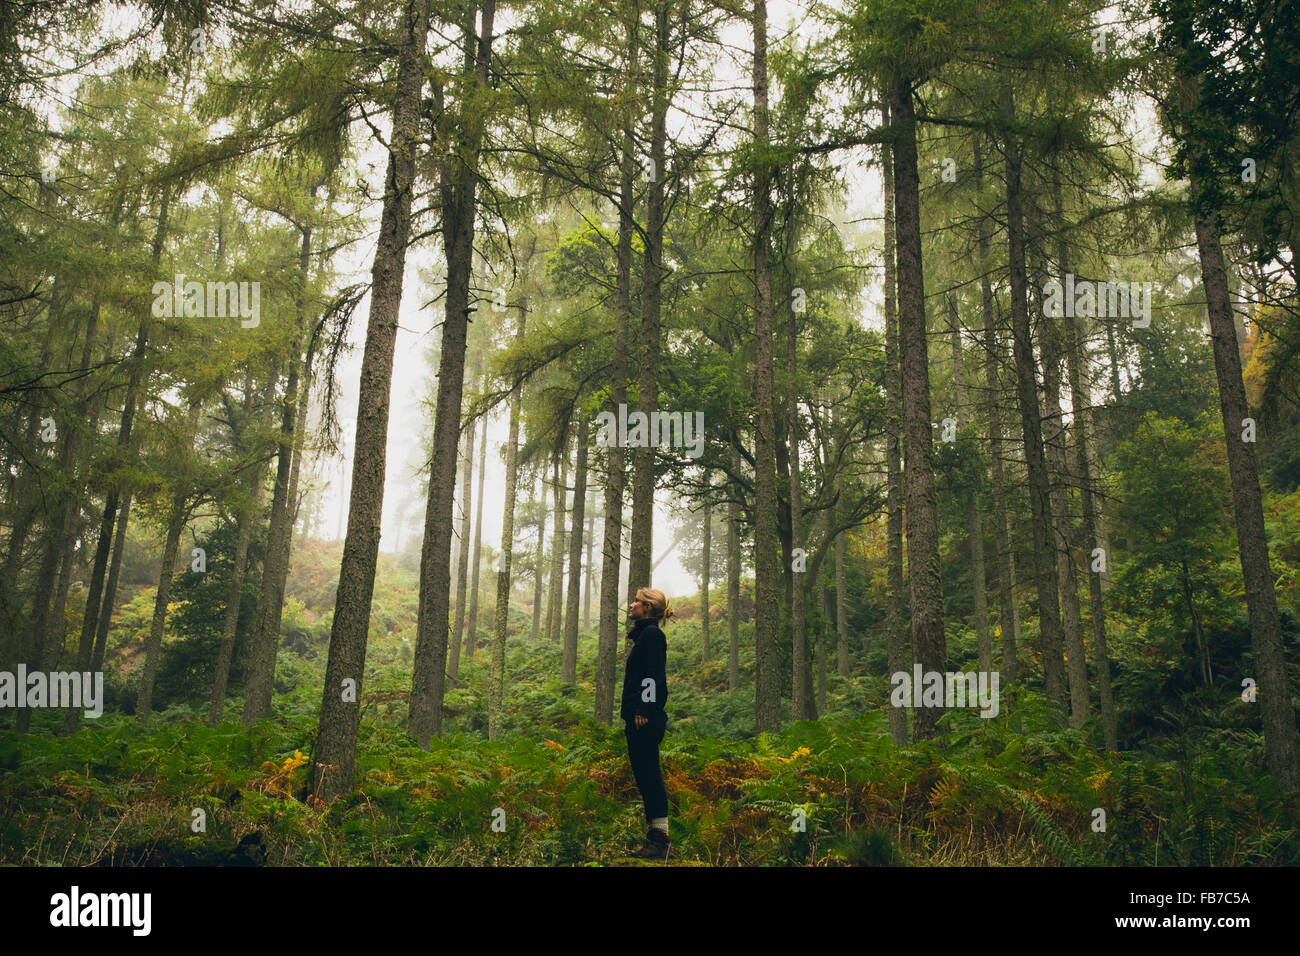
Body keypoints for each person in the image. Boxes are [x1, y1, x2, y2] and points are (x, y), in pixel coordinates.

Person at [621, 586, 672, 860]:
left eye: (637, 602)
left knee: (650, 777)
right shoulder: (645, 635)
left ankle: (660, 842)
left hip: (645, 719)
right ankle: (655, 838)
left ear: (648, 608)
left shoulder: (652, 635)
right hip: (639, 717)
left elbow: (653, 676)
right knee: (645, 777)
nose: (632, 605)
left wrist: (644, 708)